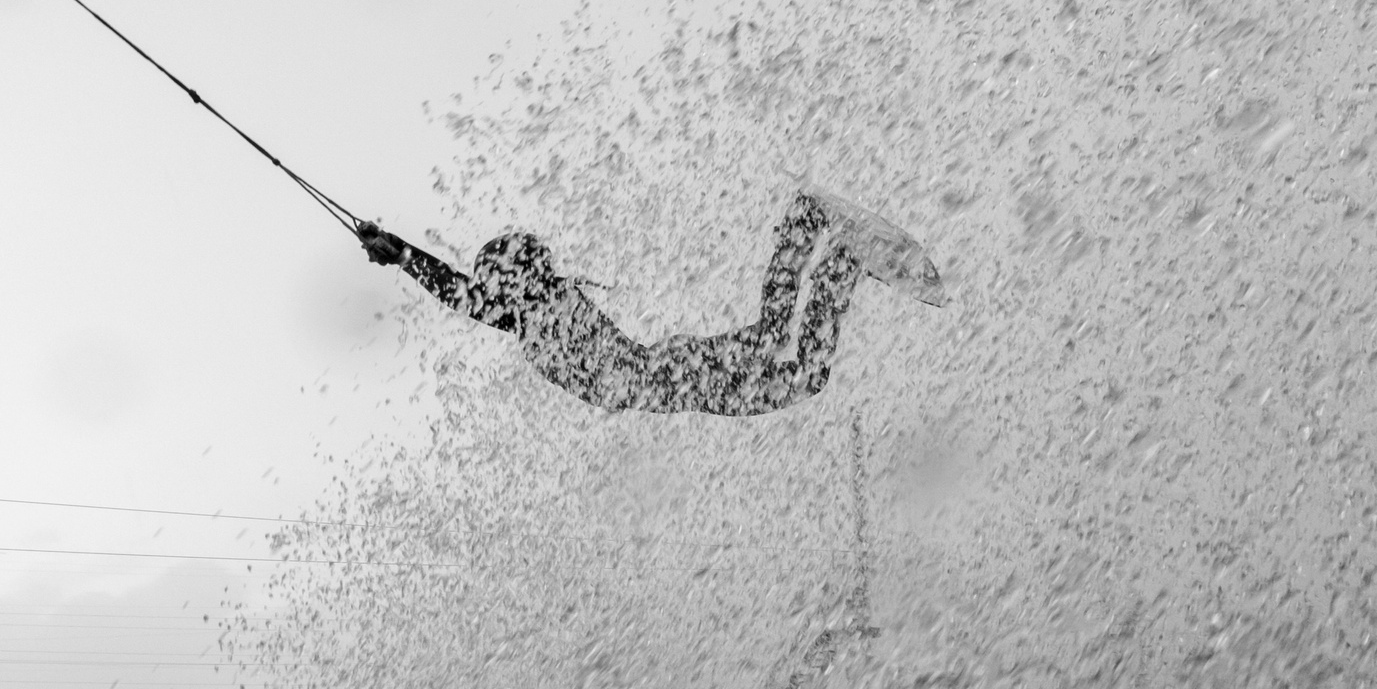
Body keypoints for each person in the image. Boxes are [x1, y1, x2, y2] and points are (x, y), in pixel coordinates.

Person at [356, 189, 943, 415]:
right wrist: (399, 253)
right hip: (670, 367)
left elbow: (456, 293)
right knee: (774, 342)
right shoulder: (535, 306)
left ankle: (830, 255)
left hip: (669, 378)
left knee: (800, 371)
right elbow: (460, 291)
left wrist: (401, 255)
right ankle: (811, 237)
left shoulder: (527, 311)